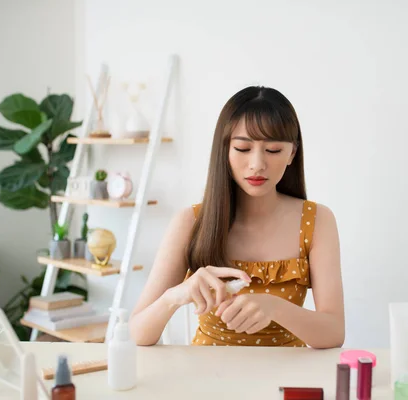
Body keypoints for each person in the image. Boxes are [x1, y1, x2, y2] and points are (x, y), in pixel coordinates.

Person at [130, 86, 345, 348]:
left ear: (292, 153)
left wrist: (274, 308)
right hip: (206, 377)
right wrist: (176, 297)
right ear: (225, 151)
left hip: (286, 379)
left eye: (273, 150)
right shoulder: (191, 222)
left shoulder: (317, 220)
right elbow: (138, 333)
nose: (257, 164)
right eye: (243, 148)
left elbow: (334, 332)